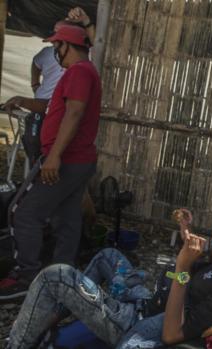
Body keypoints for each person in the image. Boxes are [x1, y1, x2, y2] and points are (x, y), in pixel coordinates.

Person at [7, 197, 212, 349]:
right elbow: (199, 259)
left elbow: (172, 335)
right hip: (146, 299)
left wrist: (182, 268)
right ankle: (50, 319)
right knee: (108, 255)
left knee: (55, 275)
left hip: (138, 322)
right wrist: (187, 232)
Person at [0, 25, 102, 300]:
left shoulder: (80, 71)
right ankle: (61, 275)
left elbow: (75, 112)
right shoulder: (84, 72)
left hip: (66, 159)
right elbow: (54, 107)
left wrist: (54, 156)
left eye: (57, 47)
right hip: (81, 160)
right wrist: (23, 100)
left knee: (22, 212)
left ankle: (26, 277)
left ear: (67, 45)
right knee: (67, 217)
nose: (55, 53)